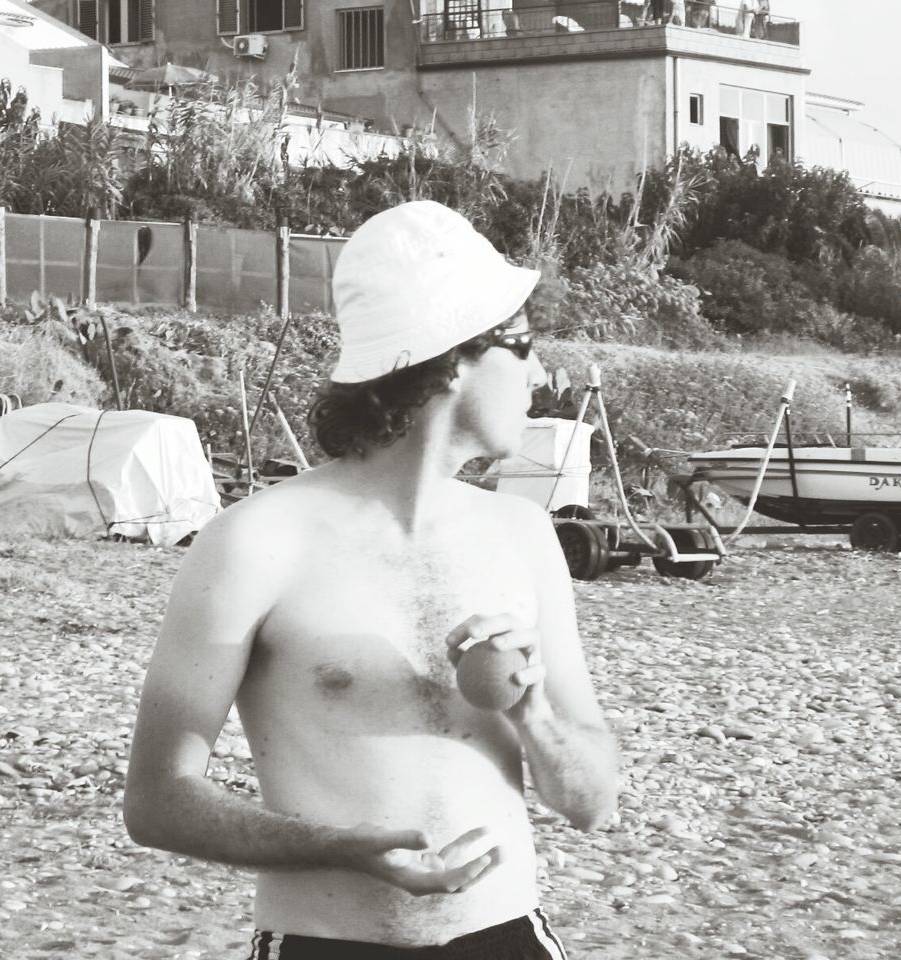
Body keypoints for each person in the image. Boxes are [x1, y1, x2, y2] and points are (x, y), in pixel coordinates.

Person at [123, 200, 620, 958]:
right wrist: (340, 847)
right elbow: (156, 801)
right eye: (523, 345)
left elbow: (594, 804)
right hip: (326, 943)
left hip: (506, 937)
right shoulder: (255, 543)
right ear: (454, 360)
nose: (541, 371)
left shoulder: (522, 536)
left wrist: (535, 713)